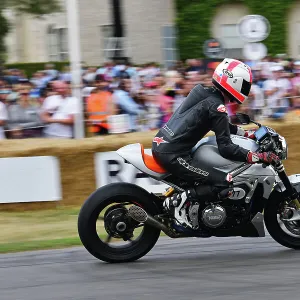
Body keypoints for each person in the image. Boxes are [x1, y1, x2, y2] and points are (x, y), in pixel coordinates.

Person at [151, 58, 280, 228]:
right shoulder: (217, 107)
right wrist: (257, 156)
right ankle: (175, 203)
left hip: (164, 145)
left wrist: (246, 133)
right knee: (224, 181)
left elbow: (218, 124)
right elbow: (226, 148)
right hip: (173, 155)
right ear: (234, 83)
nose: (246, 89)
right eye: (244, 85)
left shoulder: (201, 92)